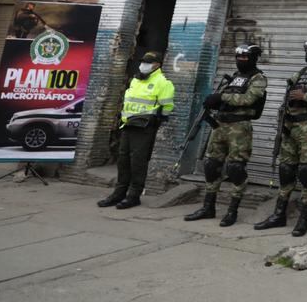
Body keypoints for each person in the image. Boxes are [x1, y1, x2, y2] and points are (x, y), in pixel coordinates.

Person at [255, 35, 307, 236]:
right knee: (286, 171)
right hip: (290, 128)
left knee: (306, 173)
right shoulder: (299, 74)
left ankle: (303, 219)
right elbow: (287, 99)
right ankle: (279, 215)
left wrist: (306, 97)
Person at [183, 44, 267, 226]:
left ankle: (232, 211)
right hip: (220, 125)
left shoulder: (258, 78)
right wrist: (214, 102)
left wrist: (222, 98)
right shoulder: (235, 77)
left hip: (239, 127)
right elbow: (224, 97)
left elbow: (249, 99)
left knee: (236, 169)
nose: (241, 60)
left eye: (245, 57)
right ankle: (208, 207)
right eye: (238, 57)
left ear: (253, 58)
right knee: (211, 166)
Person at [98, 51, 175, 210]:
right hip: (127, 125)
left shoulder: (163, 82)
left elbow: (167, 107)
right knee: (123, 160)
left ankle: (134, 196)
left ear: (157, 64)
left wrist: (156, 121)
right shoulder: (136, 79)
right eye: (144, 61)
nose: (144, 64)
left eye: (149, 62)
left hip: (145, 127)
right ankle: (119, 193)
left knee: (138, 162)